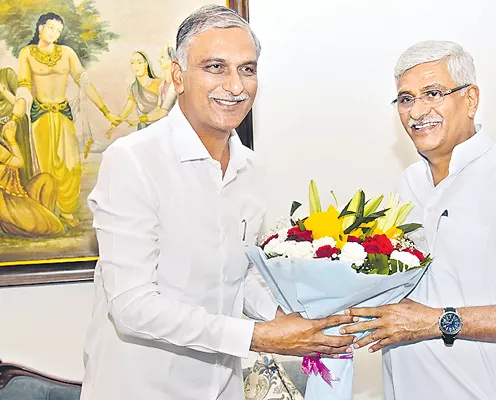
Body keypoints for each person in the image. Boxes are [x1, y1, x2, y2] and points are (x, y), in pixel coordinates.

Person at [80, 6, 354, 400]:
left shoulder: (251, 168)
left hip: (222, 386)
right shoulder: (133, 160)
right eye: (215, 67)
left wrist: (294, 319)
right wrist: (259, 336)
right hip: (140, 387)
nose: (235, 86)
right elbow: (132, 306)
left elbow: (239, 277)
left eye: (247, 69)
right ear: (178, 76)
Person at [342, 40, 496, 399]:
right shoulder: (404, 186)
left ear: (470, 99)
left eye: (433, 93)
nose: (417, 111)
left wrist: (437, 321)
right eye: (405, 99)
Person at [1, 13, 121, 227]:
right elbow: (24, 89)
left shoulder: (67, 53)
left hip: (63, 114)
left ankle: (67, 211)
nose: (54, 33)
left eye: (58, 30)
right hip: (41, 116)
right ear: (40, 28)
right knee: (46, 166)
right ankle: (49, 209)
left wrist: (106, 111)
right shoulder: (27, 53)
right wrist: (15, 117)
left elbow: (84, 83)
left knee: (71, 165)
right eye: (50, 28)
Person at [0, 113, 64, 237]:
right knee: (55, 227)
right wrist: (11, 139)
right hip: (7, 204)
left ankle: (43, 217)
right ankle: (40, 223)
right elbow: (19, 162)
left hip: (18, 195)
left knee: (47, 179)